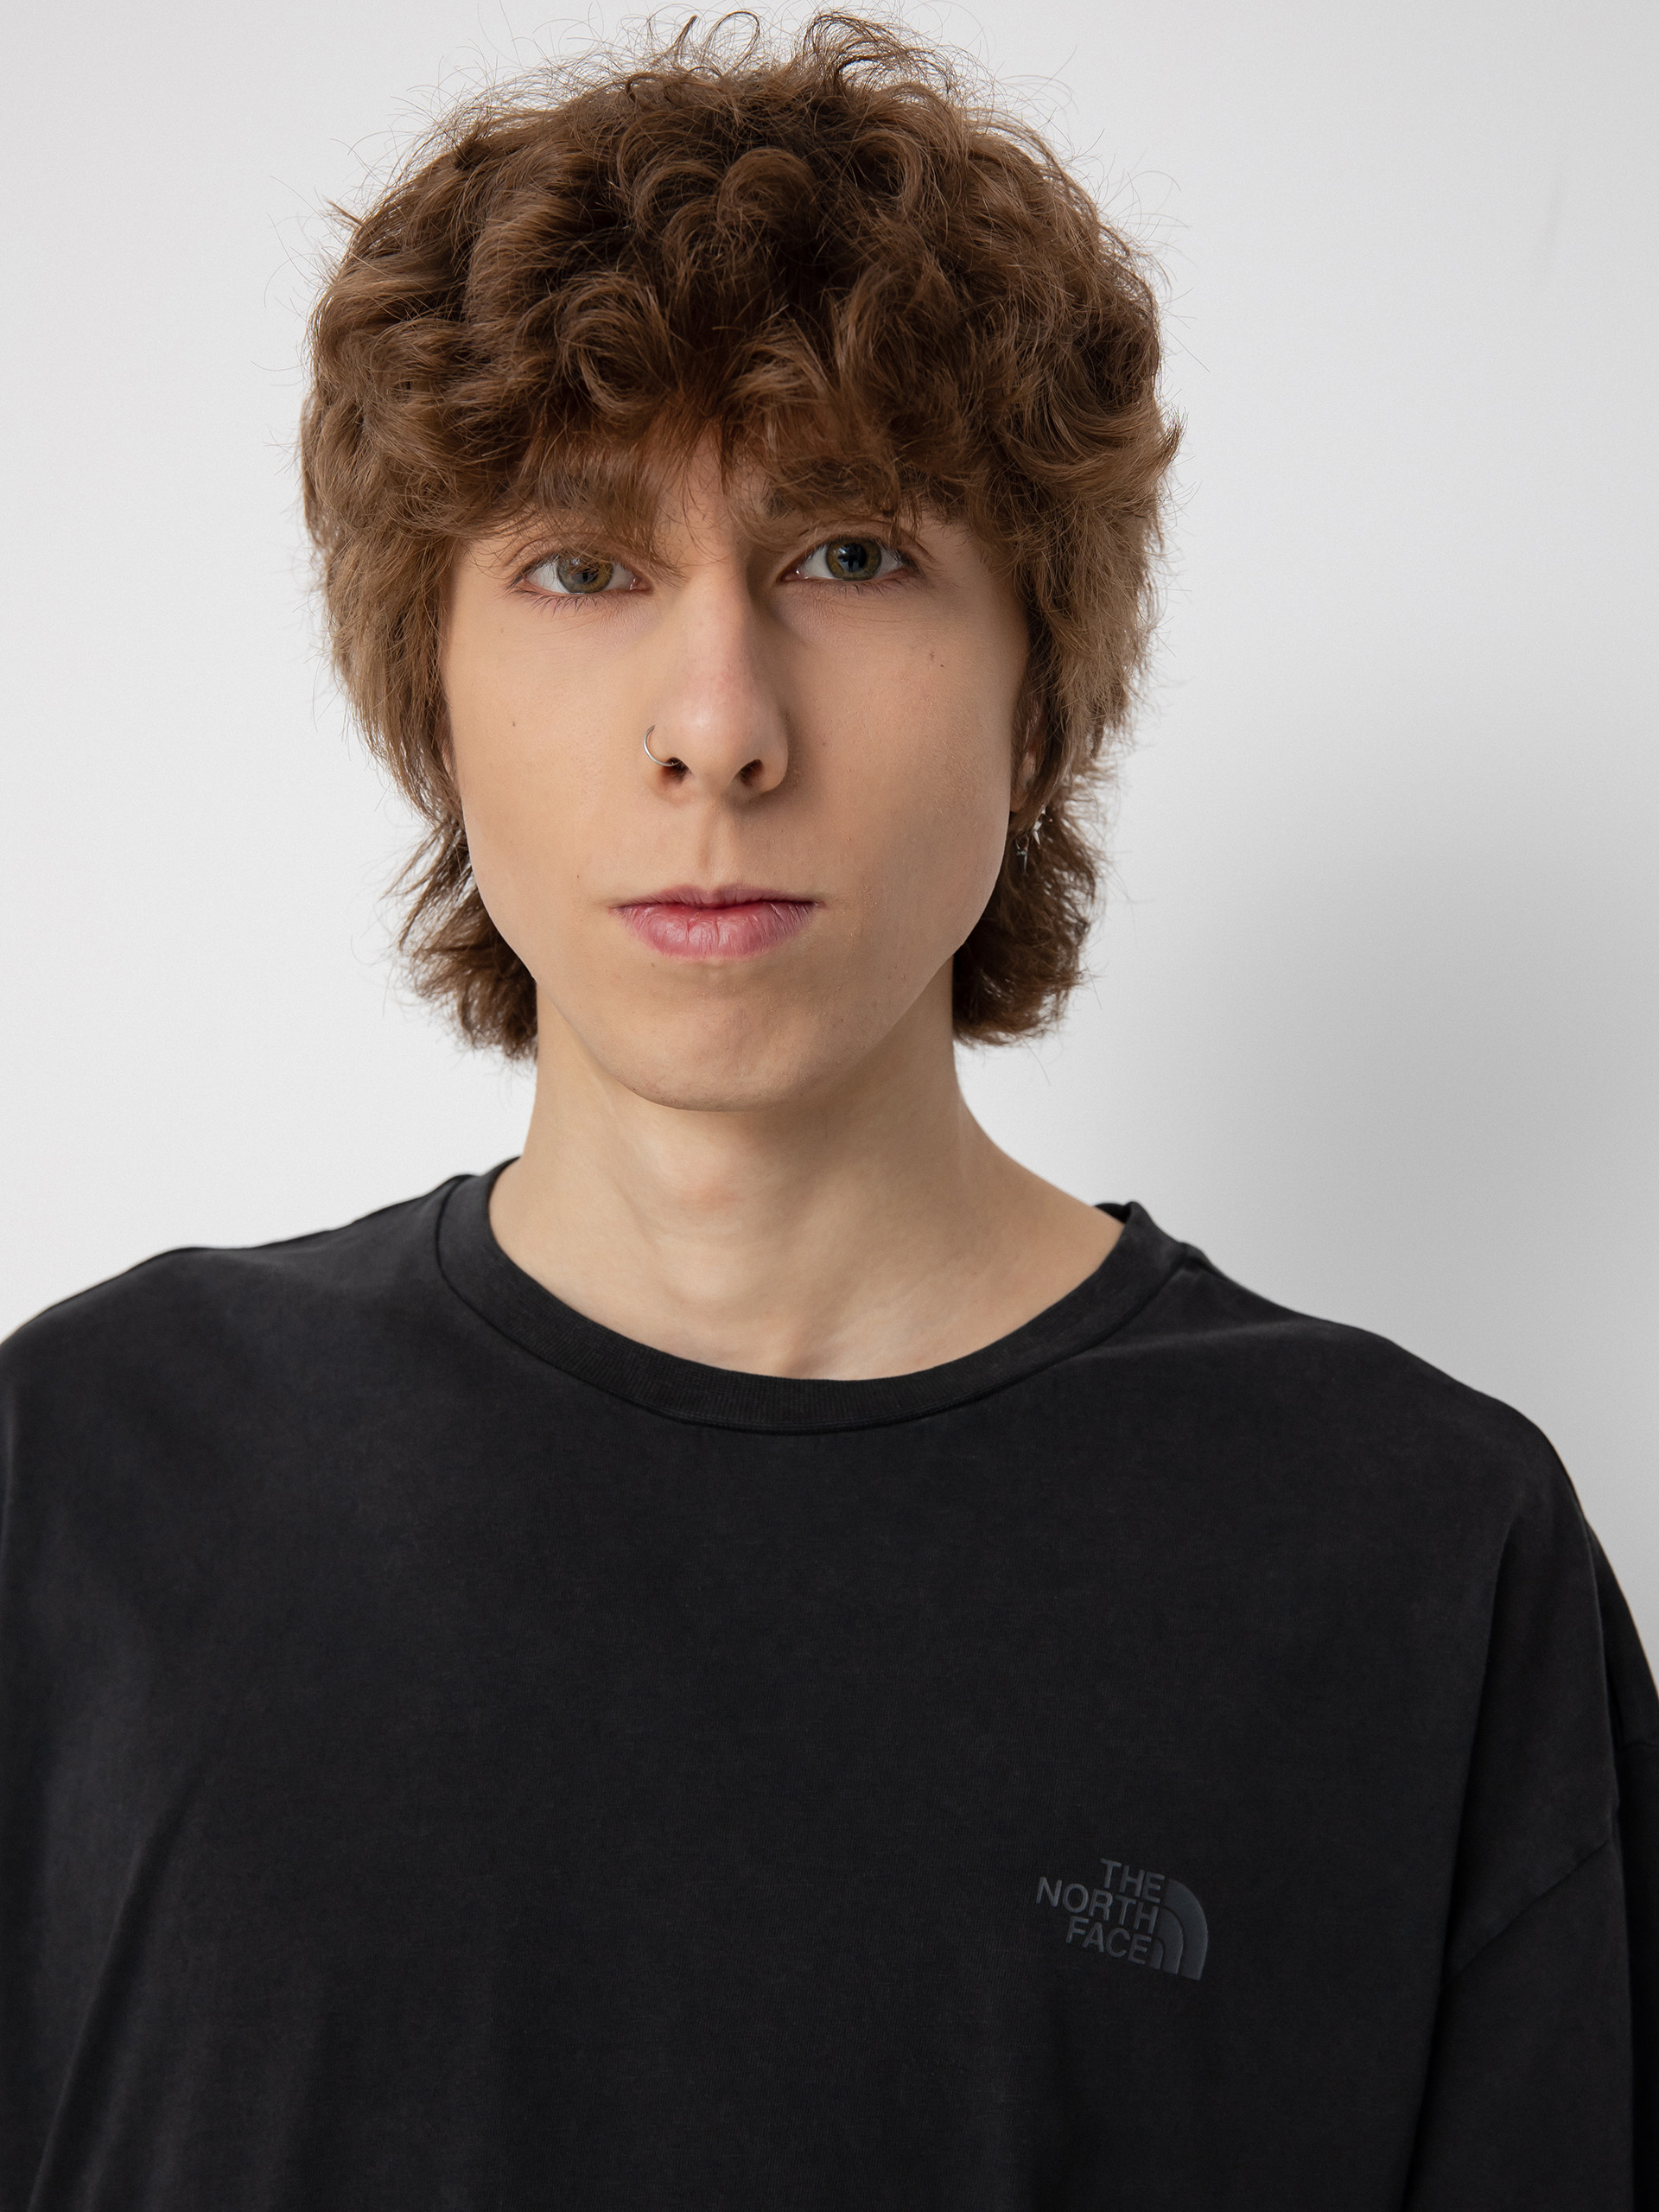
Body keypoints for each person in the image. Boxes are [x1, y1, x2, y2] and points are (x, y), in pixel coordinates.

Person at [1, 16, 1652, 2208]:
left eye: (852, 553)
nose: (720, 723)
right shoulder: (80, 1488)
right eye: (583, 565)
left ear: (1041, 691)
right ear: (431, 696)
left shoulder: (1426, 1566)